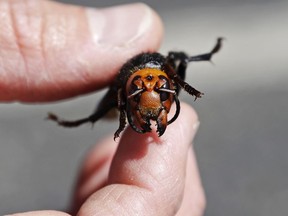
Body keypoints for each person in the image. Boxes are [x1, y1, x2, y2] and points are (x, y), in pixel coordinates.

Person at [2, 1, 205, 215]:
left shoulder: (165, 75)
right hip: (124, 92)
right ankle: (86, 120)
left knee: (179, 57)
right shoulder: (126, 87)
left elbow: (179, 60)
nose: (151, 94)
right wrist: (121, 123)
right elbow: (119, 94)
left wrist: (182, 83)